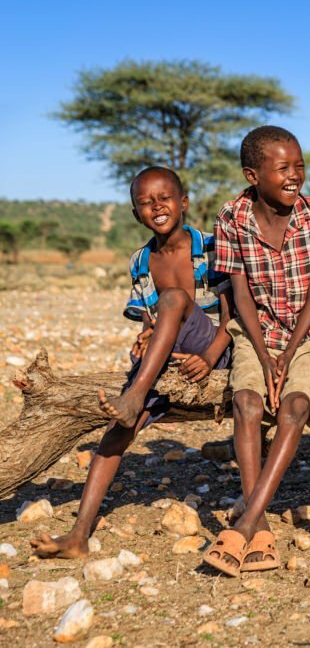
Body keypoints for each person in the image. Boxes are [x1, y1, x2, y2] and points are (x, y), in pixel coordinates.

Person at [31, 166, 232, 559]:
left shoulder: (213, 248)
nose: (157, 206)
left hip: (217, 348)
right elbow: (150, 322)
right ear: (135, 212)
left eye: (165, 198)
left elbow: (235, 316)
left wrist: (209, 357)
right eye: (145, 202)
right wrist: (145, 338)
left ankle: (135, 396)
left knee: (173, 298)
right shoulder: (141, 261)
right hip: (169, 353)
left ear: (184, 203)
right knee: (117, 430)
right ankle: (78, 535)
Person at [203, 126, 310, 576]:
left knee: (295, 406)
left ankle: (247, 522)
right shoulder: (232, 217)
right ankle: (258, 525)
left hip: (306, 333)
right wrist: (263, 356)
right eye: (283, 168)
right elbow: (239, 296)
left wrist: (286, 355)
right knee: (247, 402)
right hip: (254, 332)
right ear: (252, 175)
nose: (295, 175)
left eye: (299, 165)